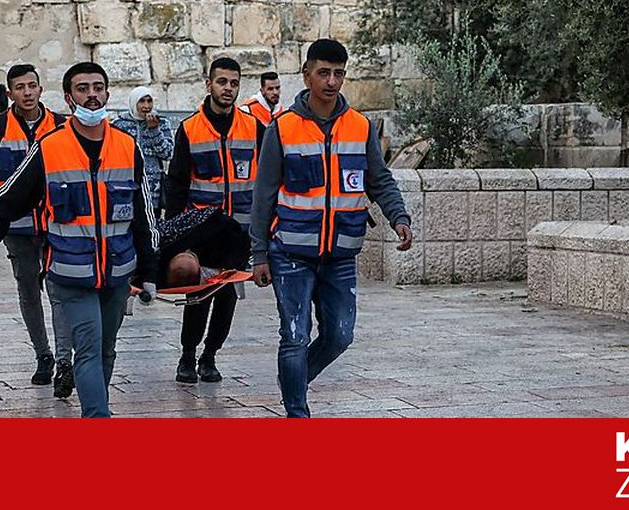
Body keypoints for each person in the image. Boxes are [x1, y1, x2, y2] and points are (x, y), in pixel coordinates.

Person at [0, 61, 160, 418]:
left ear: (108, 93)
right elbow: (8, 198)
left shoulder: (128, 147)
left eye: (98, 87)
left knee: (106, 351)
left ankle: (96, 408)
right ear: (69, 98)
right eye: (83, 89)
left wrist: (149, 268)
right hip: (72, 272)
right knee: (87, 349)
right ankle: (97, 417)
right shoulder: (50, 147)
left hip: (117, 272)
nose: (92, 95)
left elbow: (144, 213)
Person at [249, 38, 414, 418]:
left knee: (340, 335)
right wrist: (259, 253)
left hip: (341, 253)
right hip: (290, 251)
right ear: (307, 76)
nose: (332, 81)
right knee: (294, 335)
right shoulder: (283, 128)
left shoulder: (359, 127)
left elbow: (380, 180)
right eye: (324, 73)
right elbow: (263, 195)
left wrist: (399, 217)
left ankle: (294, 378)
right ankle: (297, 411)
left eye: (339, 73)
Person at [0, 64, 73, 395]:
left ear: (40, 89)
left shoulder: (61, 126)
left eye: (32, 86)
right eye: (20, 87)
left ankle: (65, 360)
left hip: (56, 225)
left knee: (59, 293)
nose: (27, 92)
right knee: (28, 292)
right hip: (16, 228)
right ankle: (44, 355)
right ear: (10, 93)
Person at [164, 57, 265, 385]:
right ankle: (188, 355)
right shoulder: (191, 129)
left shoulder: (254, 128)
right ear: (209, 84)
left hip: (238, 233)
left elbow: (267, 178)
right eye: (222, 82)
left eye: (234, 83)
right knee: (199, 294)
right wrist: (172, 233)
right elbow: (177, 182)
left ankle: (210, 355)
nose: (228, 89)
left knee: (227, 296)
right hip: (202, 232)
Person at [112, 86, 173, 217]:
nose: (146, 106)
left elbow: (168, 153)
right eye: (141, 101)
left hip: (152, 191)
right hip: (126, 186)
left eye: (149, 101)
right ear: (134, 103)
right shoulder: (119, 124)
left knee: (151, 227)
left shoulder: (161, 123)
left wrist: (154, 130)